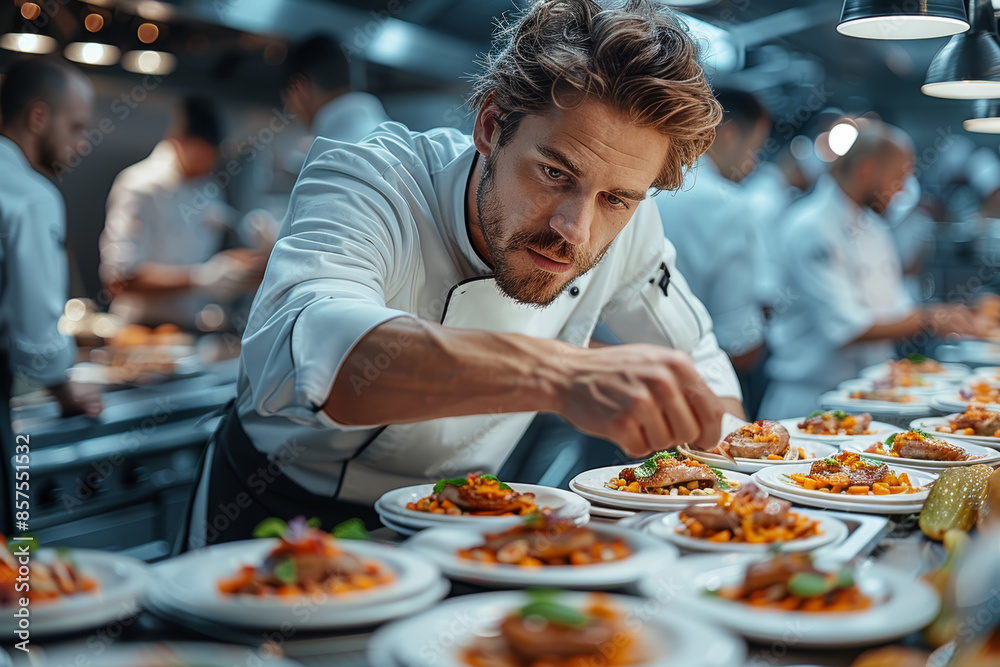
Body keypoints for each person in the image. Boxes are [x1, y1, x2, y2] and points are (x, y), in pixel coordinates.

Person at [180, 0, 744, 550]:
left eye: (618, 198)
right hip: (270, 511)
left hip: (456, 522)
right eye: (554, 172)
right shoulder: (372, 180)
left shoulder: (632, 223)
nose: (577, 227)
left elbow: (702, 365)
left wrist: (727, 472)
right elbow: (311, 349)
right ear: (491, 124)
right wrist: (564, 376)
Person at [760, 119, 989, 418]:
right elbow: (847, 328)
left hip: (871, 395)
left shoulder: (875, 229)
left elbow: (898, 310)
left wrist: (964, 314)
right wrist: (934, 318)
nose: (903, 191)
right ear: (866, 170)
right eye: (898, 178)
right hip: (812, 399)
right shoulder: (811, 227)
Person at [0, 58, 103, 532]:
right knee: (11, 584)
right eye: (76, 126)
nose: (81, 144)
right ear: (38, 118)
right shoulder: (29, 194)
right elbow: (39, 340)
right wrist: (64, 388)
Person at [99, 96, 267, 329]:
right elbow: (119, 279)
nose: (209, 166)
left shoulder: (209, 190)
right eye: (202, 155)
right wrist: (203, 278)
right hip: (139, 328)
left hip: (191, 328)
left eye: (214, 157)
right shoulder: (139, 185)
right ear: (177, 140)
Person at [657, 88, 771, 414]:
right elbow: (740, 344)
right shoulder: (728, 205)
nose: (752, 164)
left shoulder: (645, 184)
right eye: (755, 150)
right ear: (730, 135)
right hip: (694, 400)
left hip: (609, 384)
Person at [281, 35, 390, 143]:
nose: (292, 111)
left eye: (287, 101)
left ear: (299, 86)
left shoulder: (330, 154)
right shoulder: (393, 136)